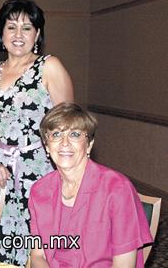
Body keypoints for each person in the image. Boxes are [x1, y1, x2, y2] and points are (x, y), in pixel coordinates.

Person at [0, 0, 74, 265]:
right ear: (0, 34)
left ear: (37, 34)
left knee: (38, 246)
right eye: (11, 26)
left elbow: (69, 125)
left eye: (27, 28)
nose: (18, 34)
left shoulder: (49, 67)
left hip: (39, 171)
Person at [29, 102, 152, 267]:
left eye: (75, 134)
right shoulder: (40, 191)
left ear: (89, 144)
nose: (64, 143)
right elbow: (38, 256)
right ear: (46, 146)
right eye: (56, 134)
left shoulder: (117, 189)